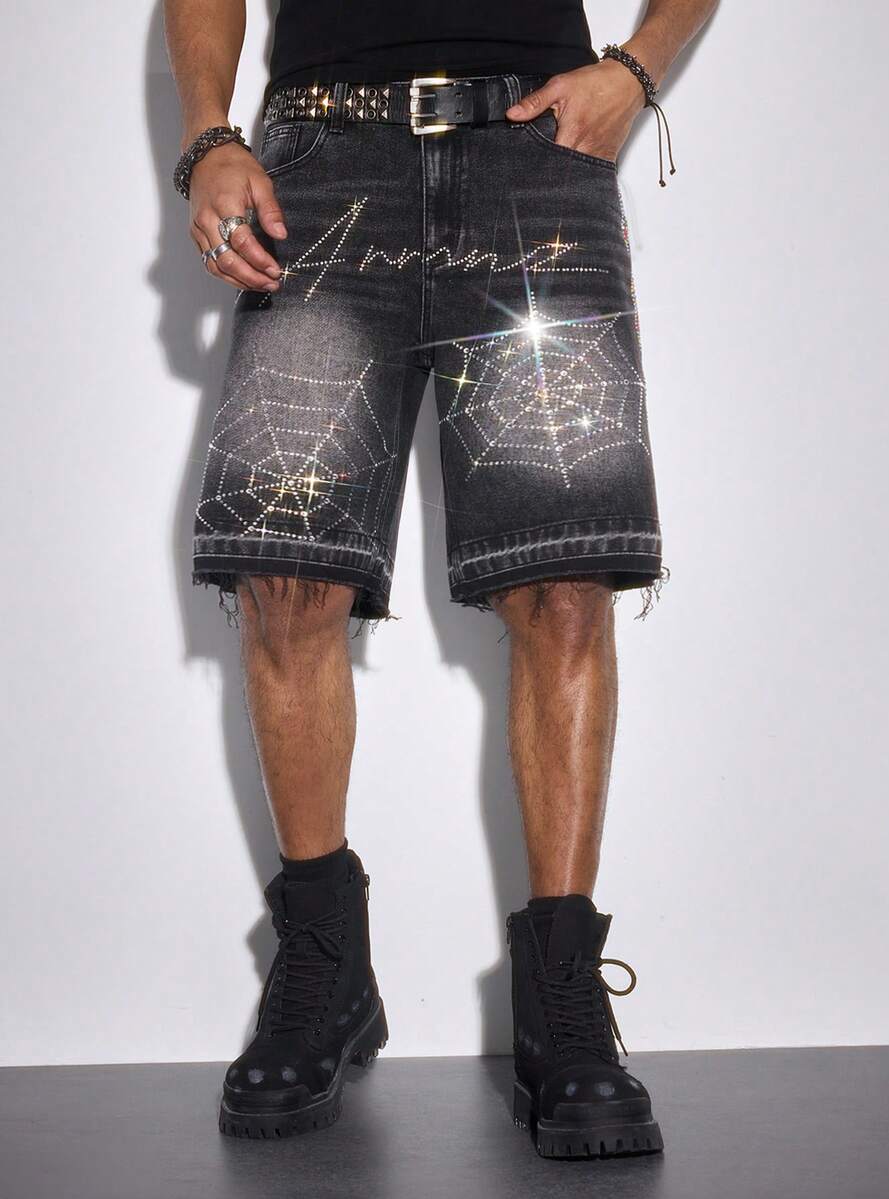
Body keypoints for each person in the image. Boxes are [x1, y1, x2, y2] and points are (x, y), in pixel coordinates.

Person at [165, 0, 717, 1158]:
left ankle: (563, 998)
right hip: (320, 160)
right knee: (285, 571)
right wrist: (209, 134)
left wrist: (635, 70)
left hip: (537, 153)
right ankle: (324, 963)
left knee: (564, 579)